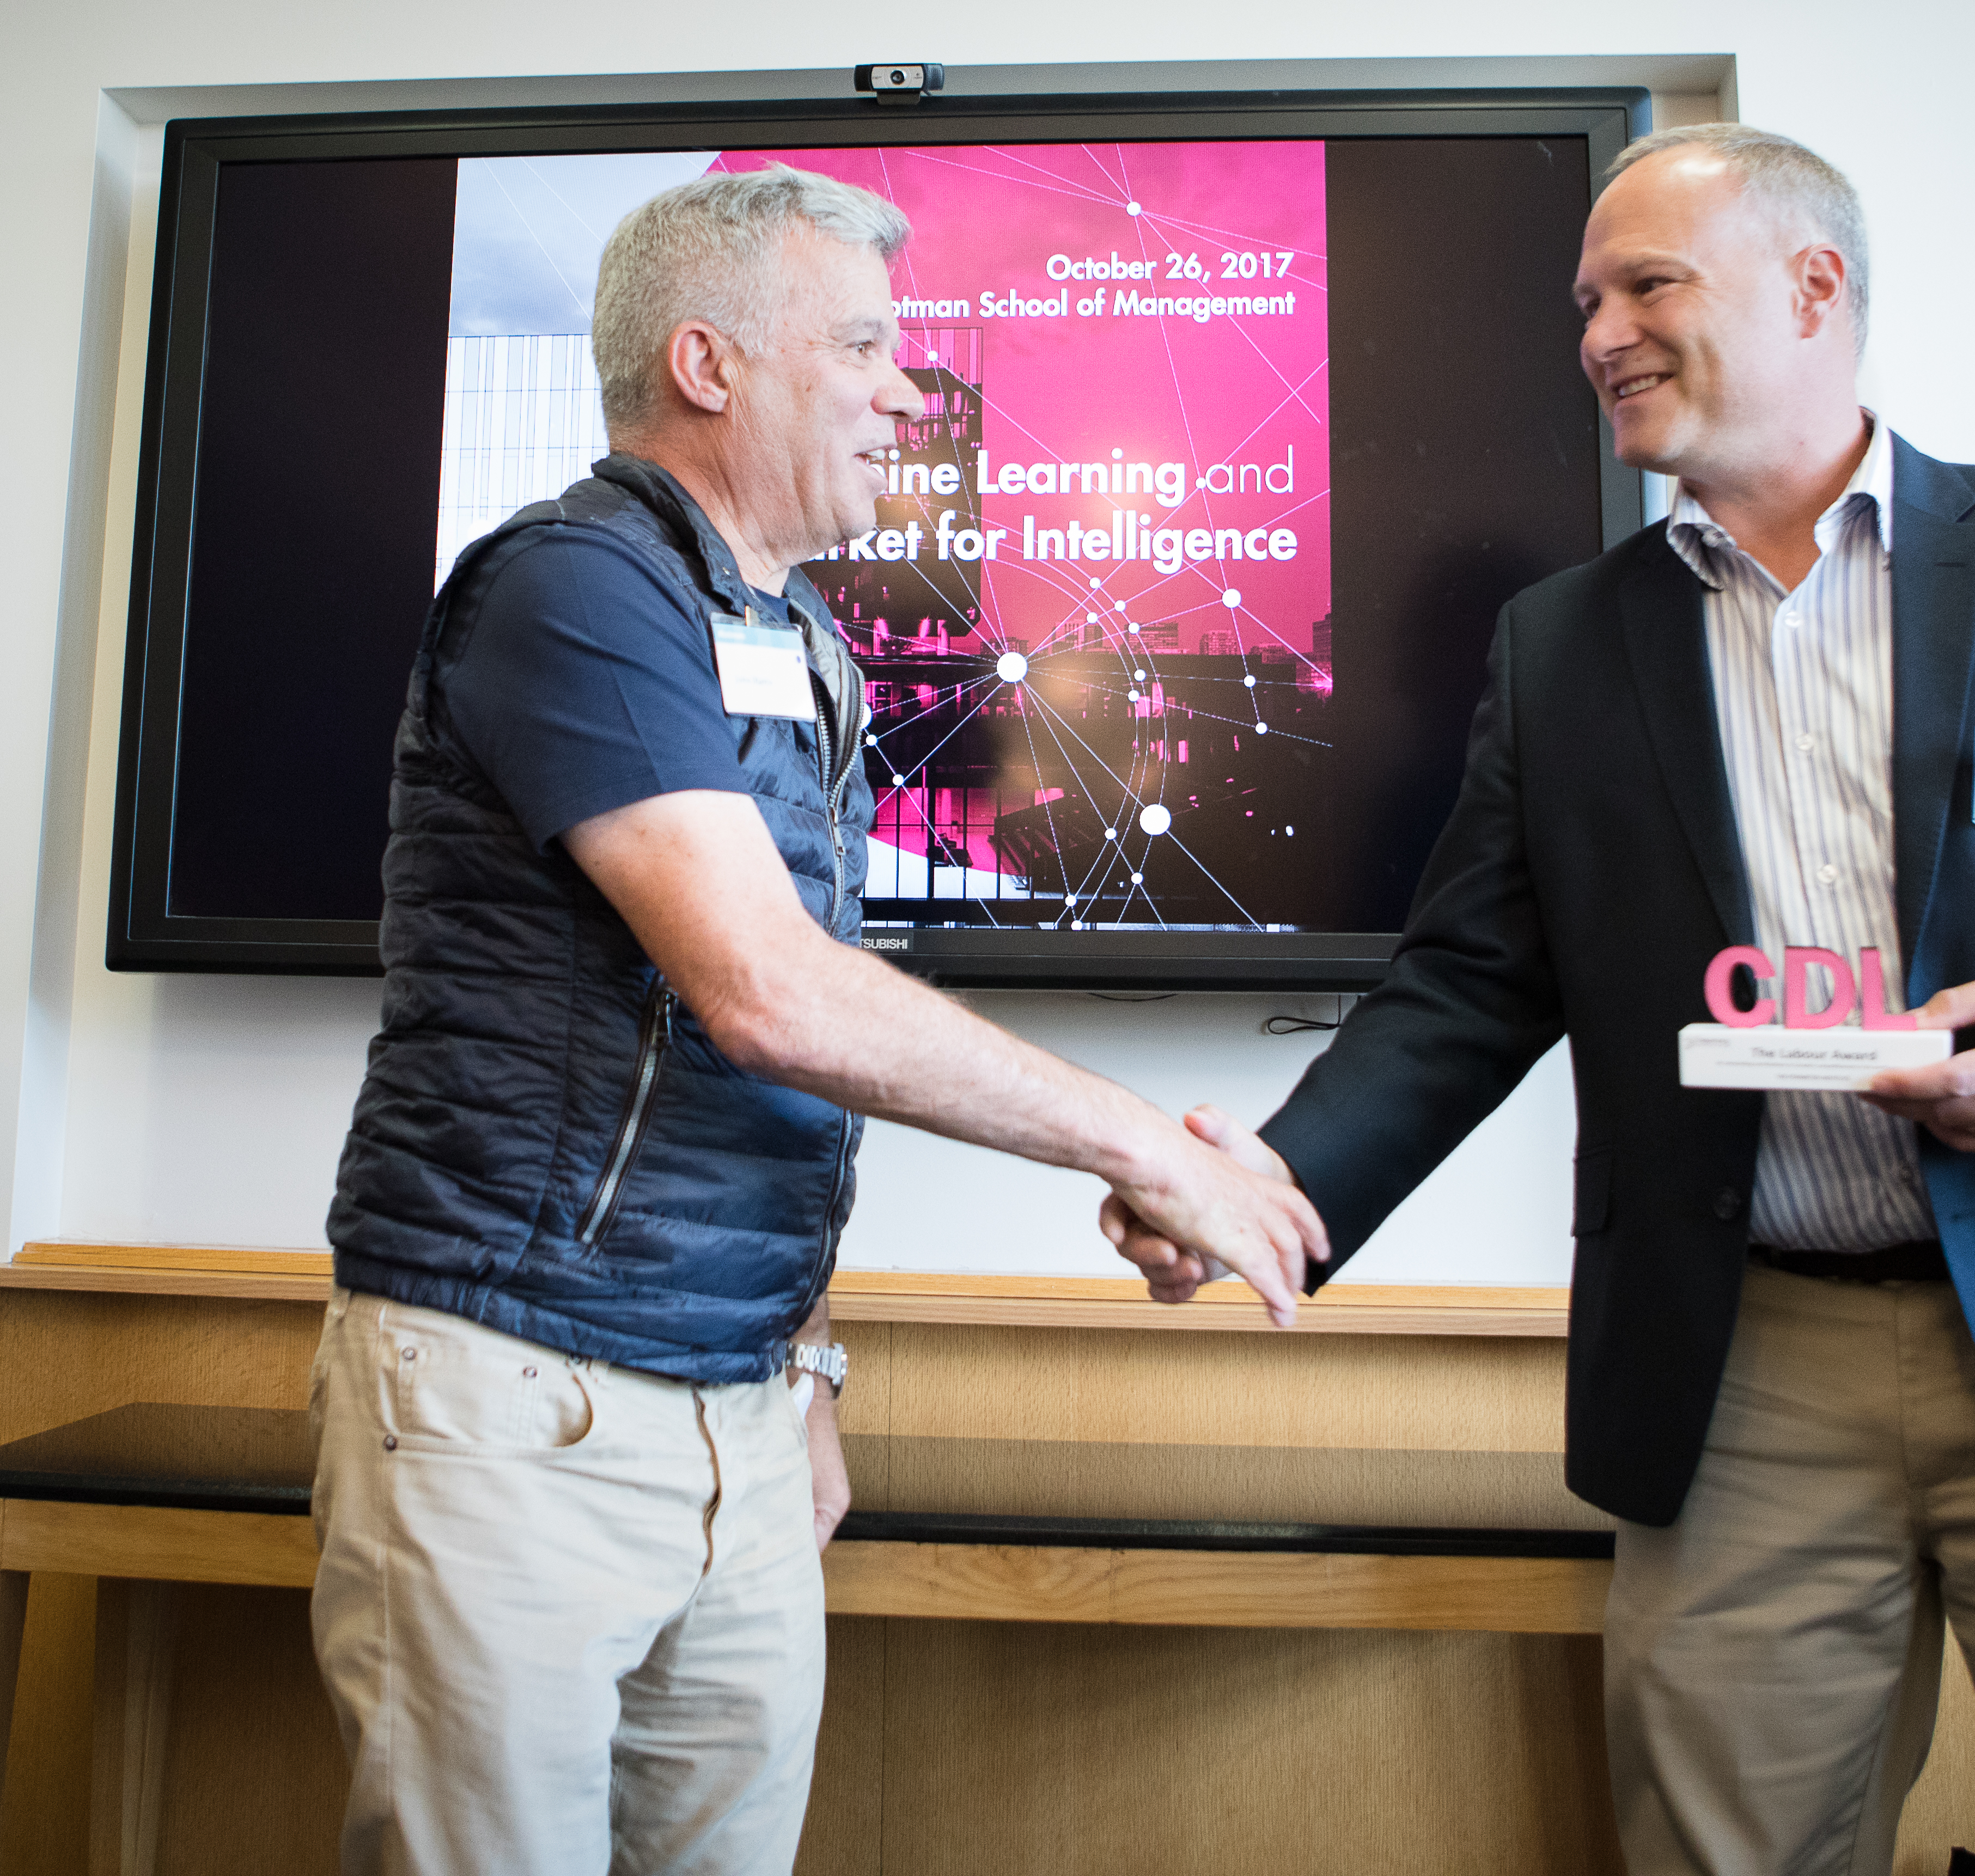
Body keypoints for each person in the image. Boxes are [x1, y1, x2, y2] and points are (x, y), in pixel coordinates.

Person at [1108, 125, 1975, 1875]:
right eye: (1583, 302)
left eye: (1646, 284)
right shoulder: (1560, 643)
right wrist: (1270, 1192)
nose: (1597, 335)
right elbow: (1469, 988)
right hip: (1745, 1366)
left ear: (1816, 288)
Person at [309, 165, 1326, 1876]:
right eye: (859, 342)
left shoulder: (802, 642)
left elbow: (788, 1055)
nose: (905, 387)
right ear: (708, 365)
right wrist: (1150, 1145)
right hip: (516, 1400)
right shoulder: (573, 586)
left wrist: (803, 1365)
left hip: (739, 1414)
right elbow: (767, 994)